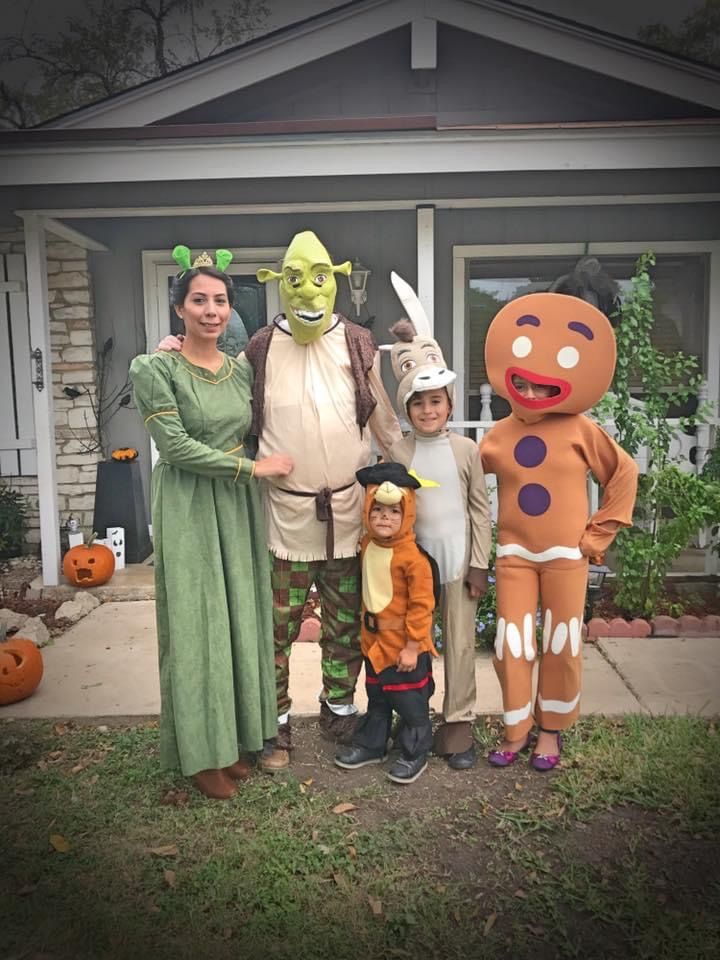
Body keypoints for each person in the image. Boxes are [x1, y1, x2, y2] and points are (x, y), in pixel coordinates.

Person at [158, 231, 402, 772]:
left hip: (346, 513)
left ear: (334, 282)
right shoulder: (259, 347)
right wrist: (173, 352)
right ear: (281, 285)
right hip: (282, 517)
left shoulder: (359, 342)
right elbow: (215, 382)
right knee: (275, 627)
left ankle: (339, 708)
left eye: (320, 279)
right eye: (296, 280)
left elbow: (383, 416)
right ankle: (275, 721)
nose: (309, 292)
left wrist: (414, 470)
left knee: (344, 623)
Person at [129, 247, 294, 800]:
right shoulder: (154, 367)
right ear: (179, 308)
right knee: (199, 625)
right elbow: (174, 447)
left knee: (238, 619)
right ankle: (201, 756)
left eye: (220, 301)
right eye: (198, 300)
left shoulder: (239, 368)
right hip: (190, 503)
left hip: (237, 506)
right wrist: (255, 467)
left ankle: (234, 741)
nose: (211, 310)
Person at [480, 285, 638, 771]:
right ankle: (516, 728)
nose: (530, 394)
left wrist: (596, 536)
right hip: (514, 556)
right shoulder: (496, 436)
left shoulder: (580, 429)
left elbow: (624, 473)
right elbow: (463, 480)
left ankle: (551, 730)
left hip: (566, 557)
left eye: (541, 387)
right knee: (511, 644)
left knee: (562, 643)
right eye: (522, 385)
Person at [386, 272, 492, 770]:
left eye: (436, 401)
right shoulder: (399, 451)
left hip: (457, 566)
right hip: (415, 572)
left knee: (462, 645)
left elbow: (479, 510)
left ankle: (459, 727)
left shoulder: (467, 450)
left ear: (449, 403)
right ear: (408, 408)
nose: (428, 410)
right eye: (418, 403)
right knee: (415, 646)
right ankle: (417, 720)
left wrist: (479, 564)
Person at [335, 462, 438, 785]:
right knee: (378, 696)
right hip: (374, 643)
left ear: (407, 515)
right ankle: (372, 744)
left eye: (394, 512)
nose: (384, 518)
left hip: (403, 647)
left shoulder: (413, 559)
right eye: (377, 510)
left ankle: (414, 752)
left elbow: (422, 606)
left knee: (409, 703)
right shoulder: (368, 544)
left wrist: (412, 647)